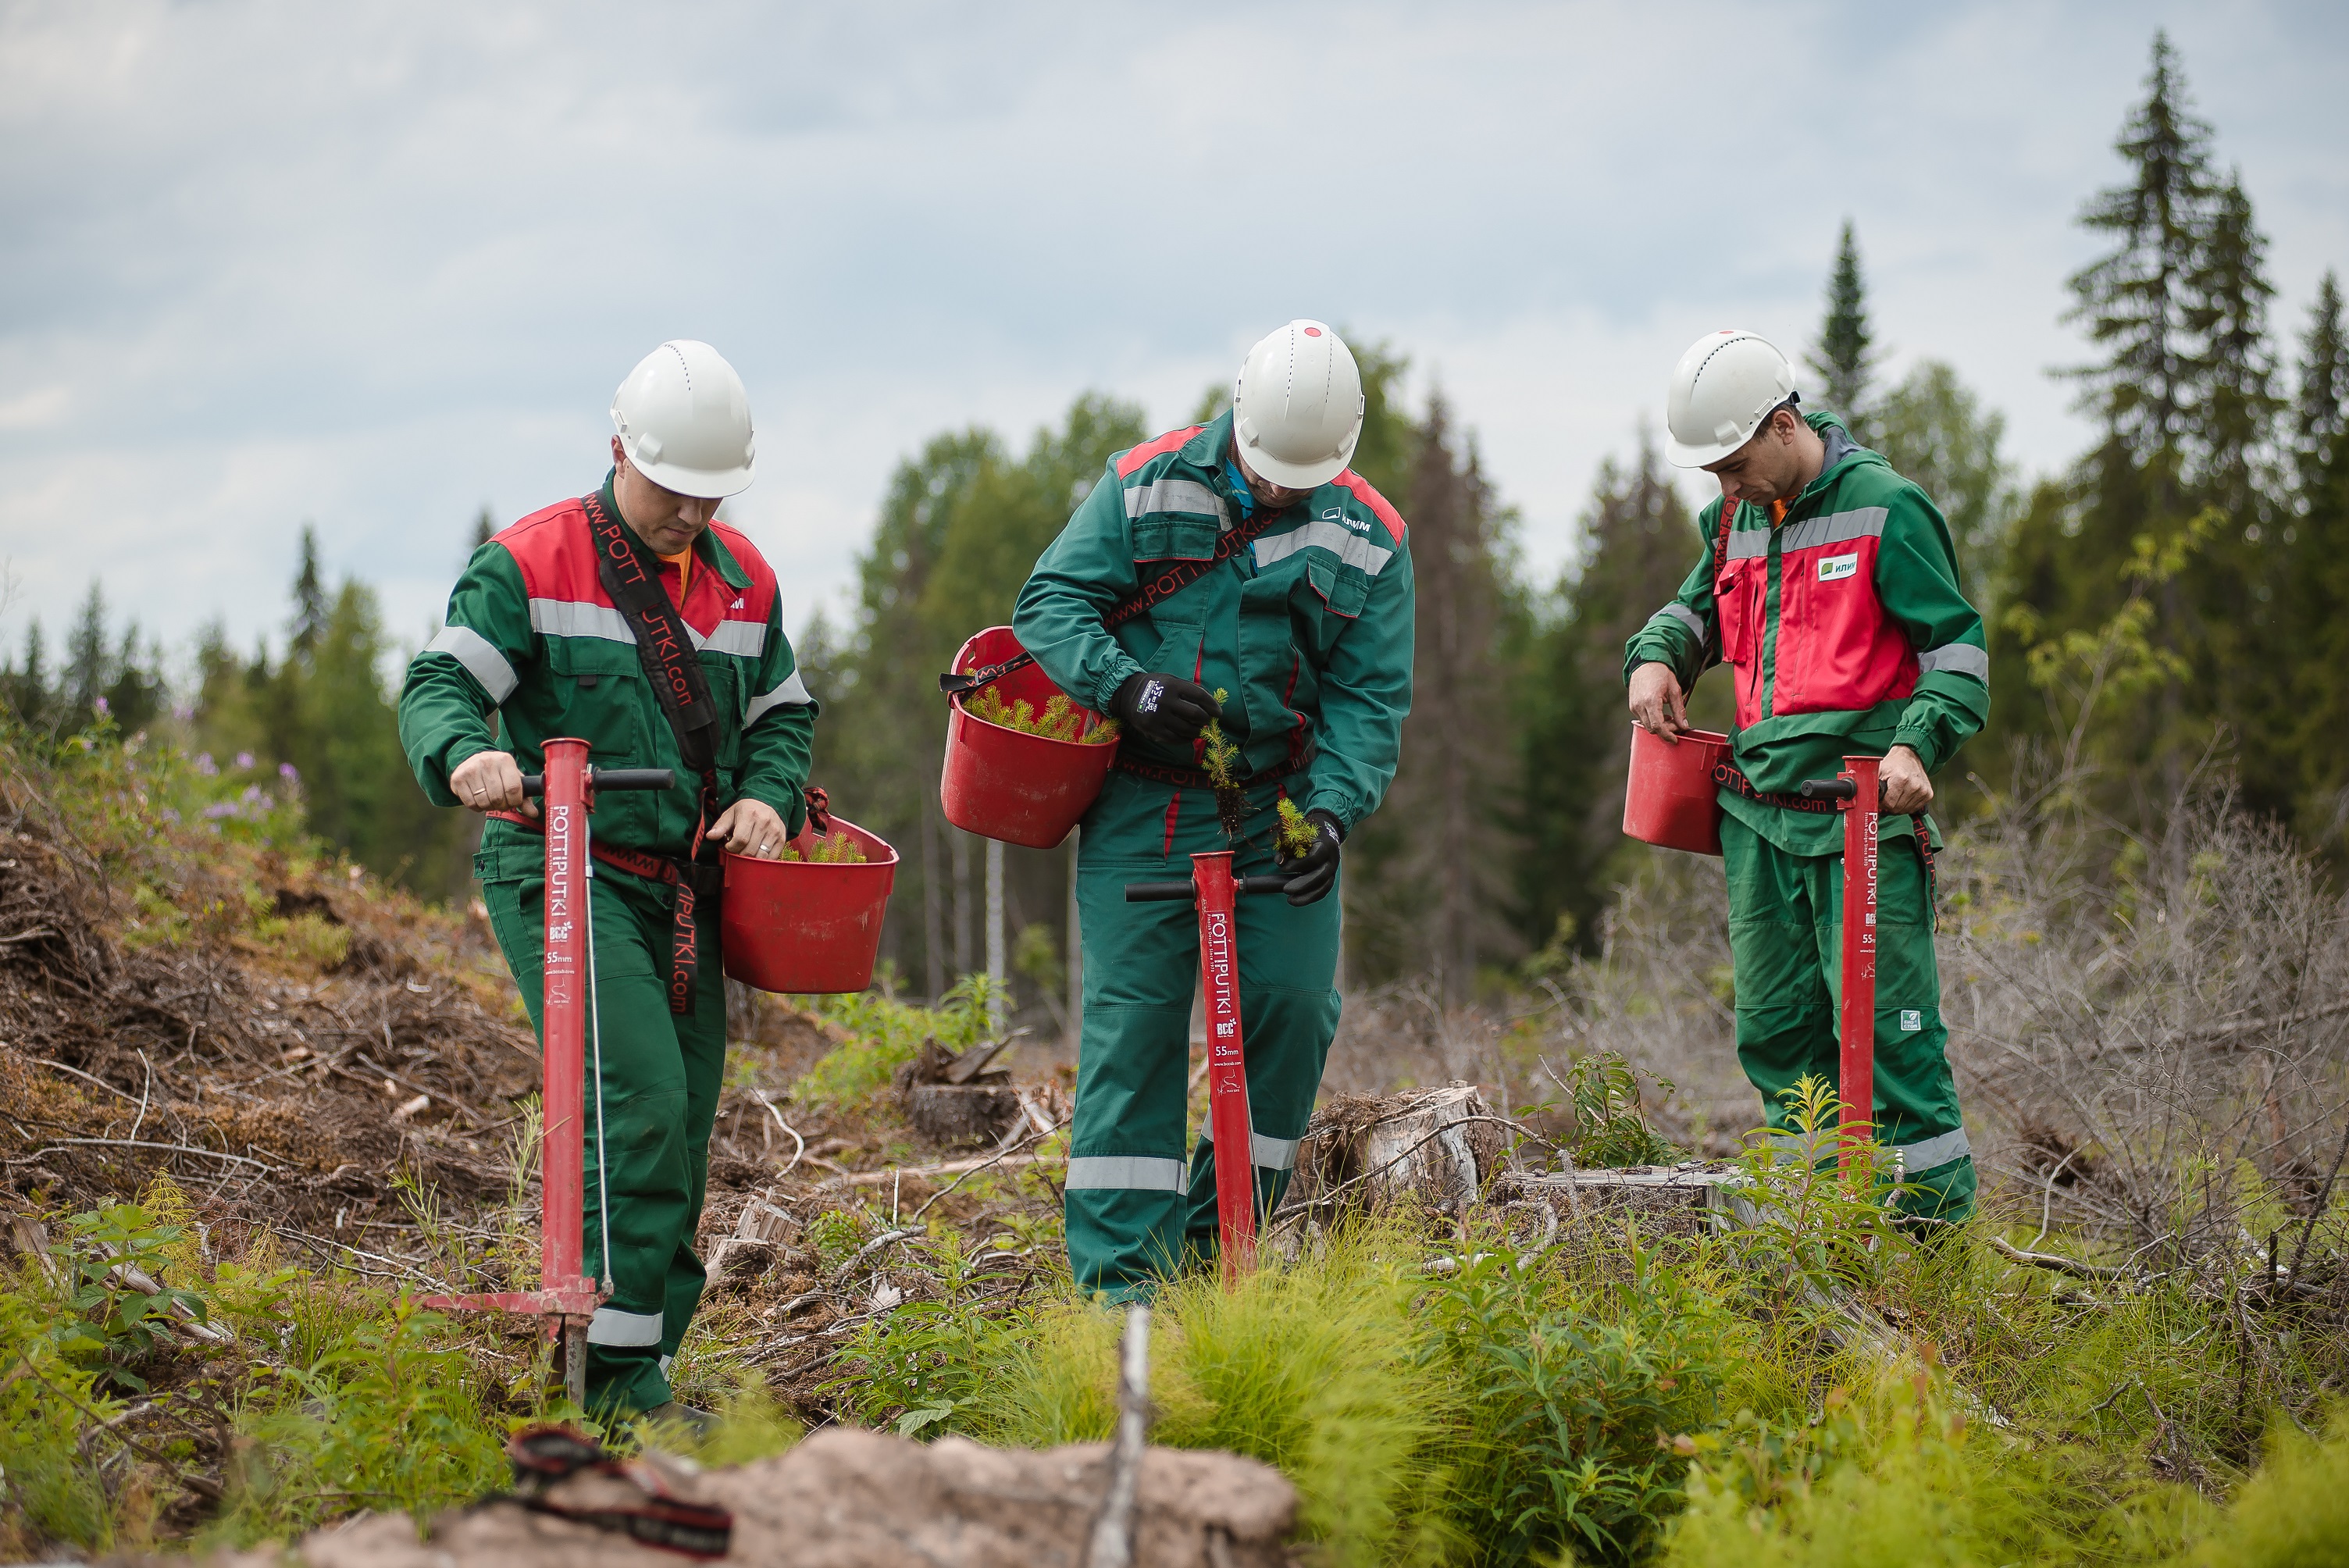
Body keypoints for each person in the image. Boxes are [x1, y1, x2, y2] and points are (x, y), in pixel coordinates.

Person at [398, 340, 818, 1420]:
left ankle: (637, 1361)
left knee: (679, 1127)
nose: (691, 511)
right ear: (620, 449)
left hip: (687, 892)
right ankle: (616, 1391)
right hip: (563, 867)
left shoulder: (748, 579)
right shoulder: (531, 563)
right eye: (674, 488)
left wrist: (770, 796)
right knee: (638, 1103)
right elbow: (442, 680)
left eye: (711, 494)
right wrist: (464, 756)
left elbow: (784, 717)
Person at [1011, 319, 1415, 1297]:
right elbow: (1049, 602)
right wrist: (1126, 688)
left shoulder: (1370, 536)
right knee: (1132, 1036)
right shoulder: (1141, 483)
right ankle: (1119, 1296)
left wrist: (1328, 814)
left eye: (1301, 477)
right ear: (1236, 416)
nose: (1281, 490)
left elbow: (1369, 702)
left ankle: (1212, 1255)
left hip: (1276, 804)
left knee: (1292, 1009)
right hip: (1142, 806)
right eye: (1268, 469)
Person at [1623, 329, 1989, 1219]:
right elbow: (1693, 608)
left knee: (1891, 1047)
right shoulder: (1731, 520)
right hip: (1756, 827)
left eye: (1734, 464)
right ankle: (1816, 1235)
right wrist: (1656, 656)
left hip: (1863, 821)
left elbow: (1958, 650)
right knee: (1779, 1041)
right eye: (1710, 473)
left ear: (1783, 426)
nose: (1723, 488)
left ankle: (1929, 1255)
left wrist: (1915, 744)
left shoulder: (1887, 508)